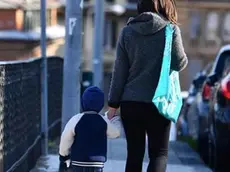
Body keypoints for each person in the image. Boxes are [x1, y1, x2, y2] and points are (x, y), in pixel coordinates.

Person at [107, 0, 188, 172]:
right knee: (159, 154)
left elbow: (119, 71)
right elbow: (180, 63)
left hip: (131, 103)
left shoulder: (127, 31)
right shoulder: (170, 30)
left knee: (134, 155)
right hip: (159, 103)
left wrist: (113, 104)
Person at [59, 86, 120, 172]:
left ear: (83, 102)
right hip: (97, 164)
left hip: (78, 162)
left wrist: (63, 155)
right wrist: (115, 119)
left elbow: (66, 138)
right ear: (101, 104)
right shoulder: (103, 120)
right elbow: (116, 133)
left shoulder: (76, 119)